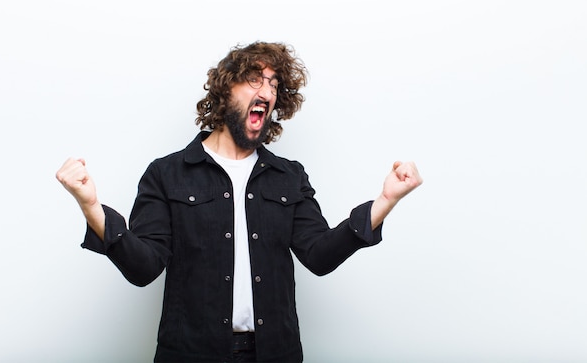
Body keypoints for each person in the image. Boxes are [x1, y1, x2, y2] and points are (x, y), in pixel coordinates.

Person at [56, 41, 423, 363]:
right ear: (226, 88)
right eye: (255, 79)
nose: (267, 90)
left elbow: (320, 255)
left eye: (275, 84)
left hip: (276, 352)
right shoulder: (167, 173)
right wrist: (92, 208)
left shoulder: (288, 176)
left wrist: (386, 200)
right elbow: (144, 268)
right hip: (189, 353)